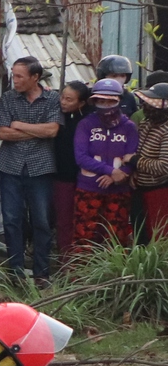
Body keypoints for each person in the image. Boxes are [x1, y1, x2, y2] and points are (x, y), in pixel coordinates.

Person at [0, 56, 61, 282]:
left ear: (35, 77)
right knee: (12, 220)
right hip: (10, 166)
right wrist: (37, 131)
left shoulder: (52, 99)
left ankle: (42, 272)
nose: (15, 80)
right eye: (14, 74)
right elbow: (3, 133)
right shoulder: (8, 98)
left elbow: (52, 131)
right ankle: (16, 271)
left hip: (41, 168)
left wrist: (20, 125)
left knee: (41, 220)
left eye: (20, 76)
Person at [73, 77, 140, 247]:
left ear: (119, 101)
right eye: (100, 101)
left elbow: (132, 157)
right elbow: (81, 156)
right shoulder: (86, 124)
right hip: (88, 188)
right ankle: (81, 273)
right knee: (84, 236)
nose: (105, 105)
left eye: (110, 101)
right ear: (94, 101)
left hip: (119, 190)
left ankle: (116, 274)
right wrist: (110, 171)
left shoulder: (129, 127)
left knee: (116, 238)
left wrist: (118, 175)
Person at [51, 79, 90, 254]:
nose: (63, 102)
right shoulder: (55, 115)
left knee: (85, 220)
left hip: (86, 178)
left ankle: (84, 261)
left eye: (69, 99)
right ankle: (65, 261)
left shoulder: (90, 120)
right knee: (63, 221)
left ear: (81, 102)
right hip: (62, 176)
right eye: (63, 97)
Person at [133, 82, 168, 241]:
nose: (146, 106)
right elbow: (136, 148)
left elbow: (164, 166)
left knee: (158, 234)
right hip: (138, 188)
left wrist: (135, 161)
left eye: (151, 103)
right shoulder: (146, 124)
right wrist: (133, 172)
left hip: (158, 190)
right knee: (139, 233)